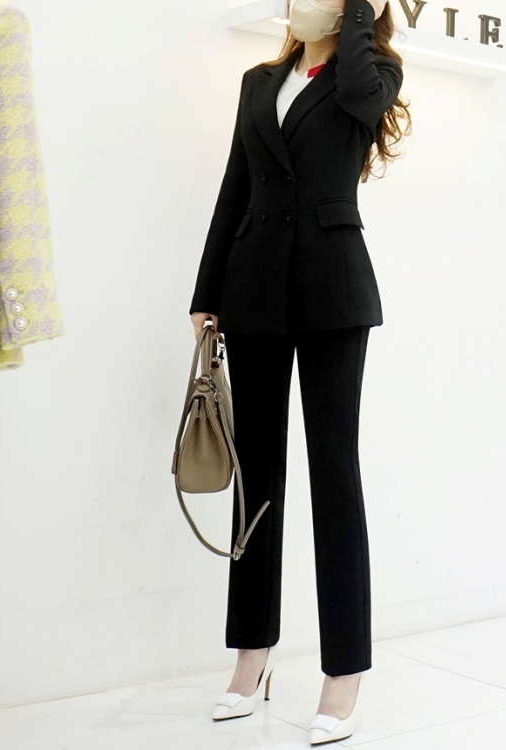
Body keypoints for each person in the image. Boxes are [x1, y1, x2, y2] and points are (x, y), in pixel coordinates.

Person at [188, 0, 411, 744]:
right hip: (252, 287)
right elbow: (235, 187)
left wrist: (360, 20)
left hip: (332, 291)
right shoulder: (259, 81)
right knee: (257, 478)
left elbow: (361, 100)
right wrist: (207, 294)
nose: (297, 3)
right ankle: (252, 655)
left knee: (334, 475)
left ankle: (343, 671)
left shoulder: (371, 72)